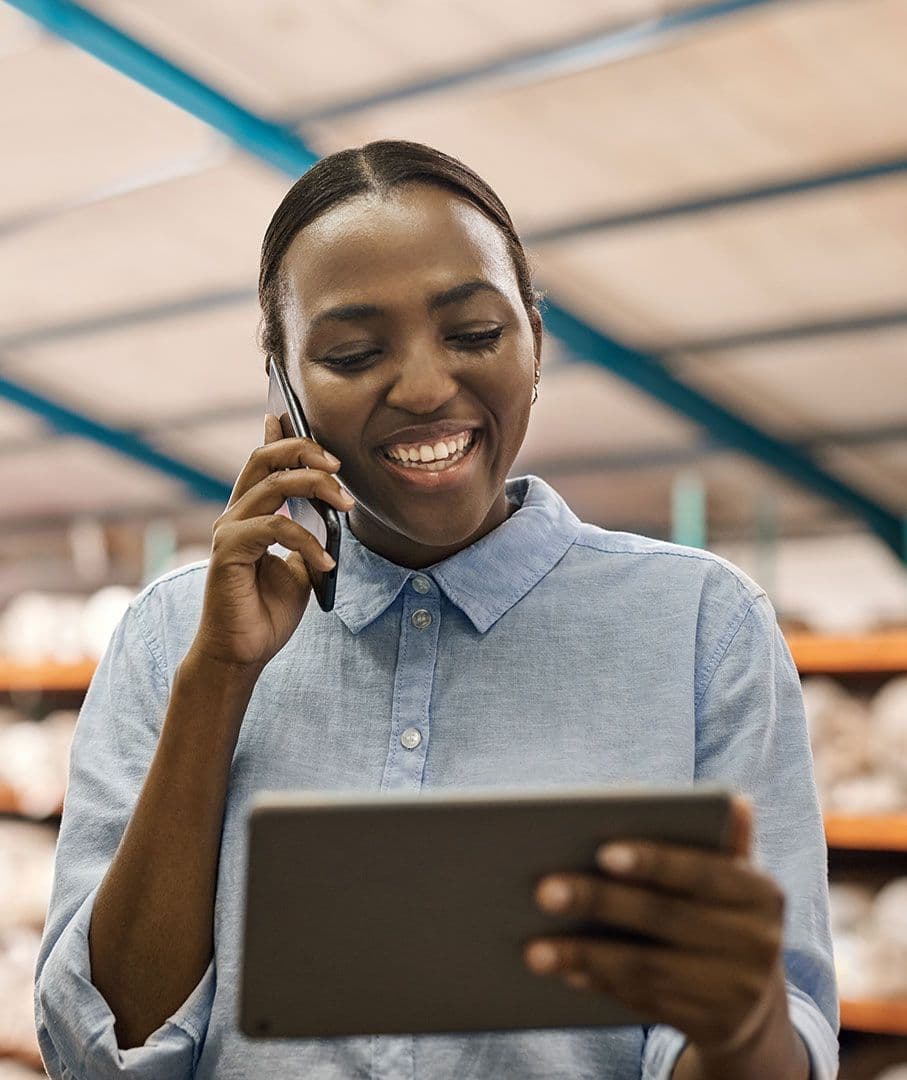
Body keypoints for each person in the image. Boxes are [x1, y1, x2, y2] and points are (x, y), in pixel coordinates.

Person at [34, 139, 838, 1079]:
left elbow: (770, 1040)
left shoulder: (703, 628)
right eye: (351, 353)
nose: (422, 389)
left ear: (533, 339)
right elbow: (100, 1051)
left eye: (473, 334)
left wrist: (741, 1027)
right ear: (282, 384)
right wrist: (218, 681)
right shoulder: (172, 638)